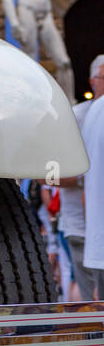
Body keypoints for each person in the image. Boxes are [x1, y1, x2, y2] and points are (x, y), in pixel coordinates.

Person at [78, 54, 104, 301]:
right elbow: (49, 173)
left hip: (91, 231)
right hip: (75, 224)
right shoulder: (80, 114)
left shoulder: (94, 110)